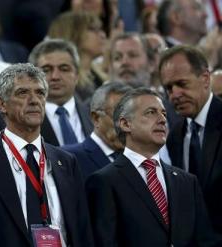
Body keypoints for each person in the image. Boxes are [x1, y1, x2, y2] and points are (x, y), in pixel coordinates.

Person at [0, 63, 94, 247]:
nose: (34, 100)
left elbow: (82, 231)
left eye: (40, 93)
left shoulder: (66, 161)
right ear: (2, 104)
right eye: (23, 93)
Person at [86, 88, 220, 246]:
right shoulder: (104, 181)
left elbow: (207, 241)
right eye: (151, 112)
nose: (162, 119)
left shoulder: (187, 182)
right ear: (125, 124)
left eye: (163, 113)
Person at [159, 45, 222, 236]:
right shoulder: (175, 135)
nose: (175, 95)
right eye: (169, 88)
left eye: (182, 84)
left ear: (205, 79)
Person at [63, 82, 131, 179]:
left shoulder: (140, 158)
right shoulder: (69, 158)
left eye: (131, 118)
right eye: (118, 117)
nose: (126, 126)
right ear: (96, 118)